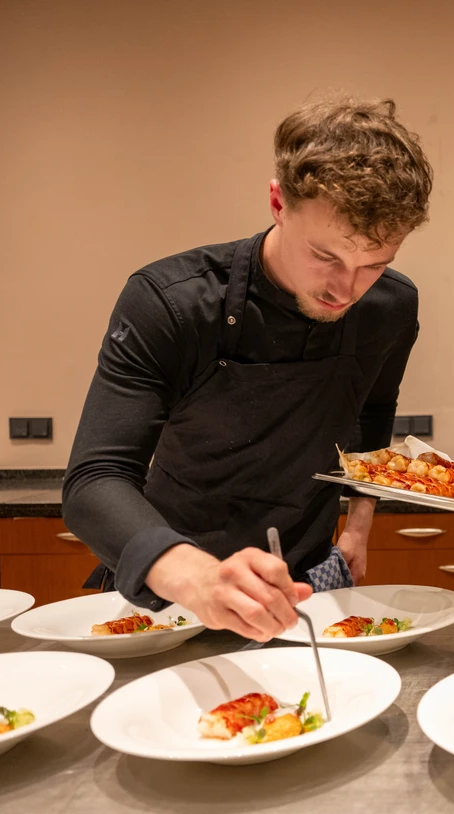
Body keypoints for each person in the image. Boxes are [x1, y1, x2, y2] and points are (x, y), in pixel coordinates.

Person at [62, 97, 433, 642]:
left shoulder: (389, 308)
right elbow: (94, 481)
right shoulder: (172, 303)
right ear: (278, 201)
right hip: (170, 587)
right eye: (326, 256)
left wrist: (359, 523)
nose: (346, 289)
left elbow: (372, 413)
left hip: (305, 581)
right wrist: (197, 576)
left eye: (375, 265)